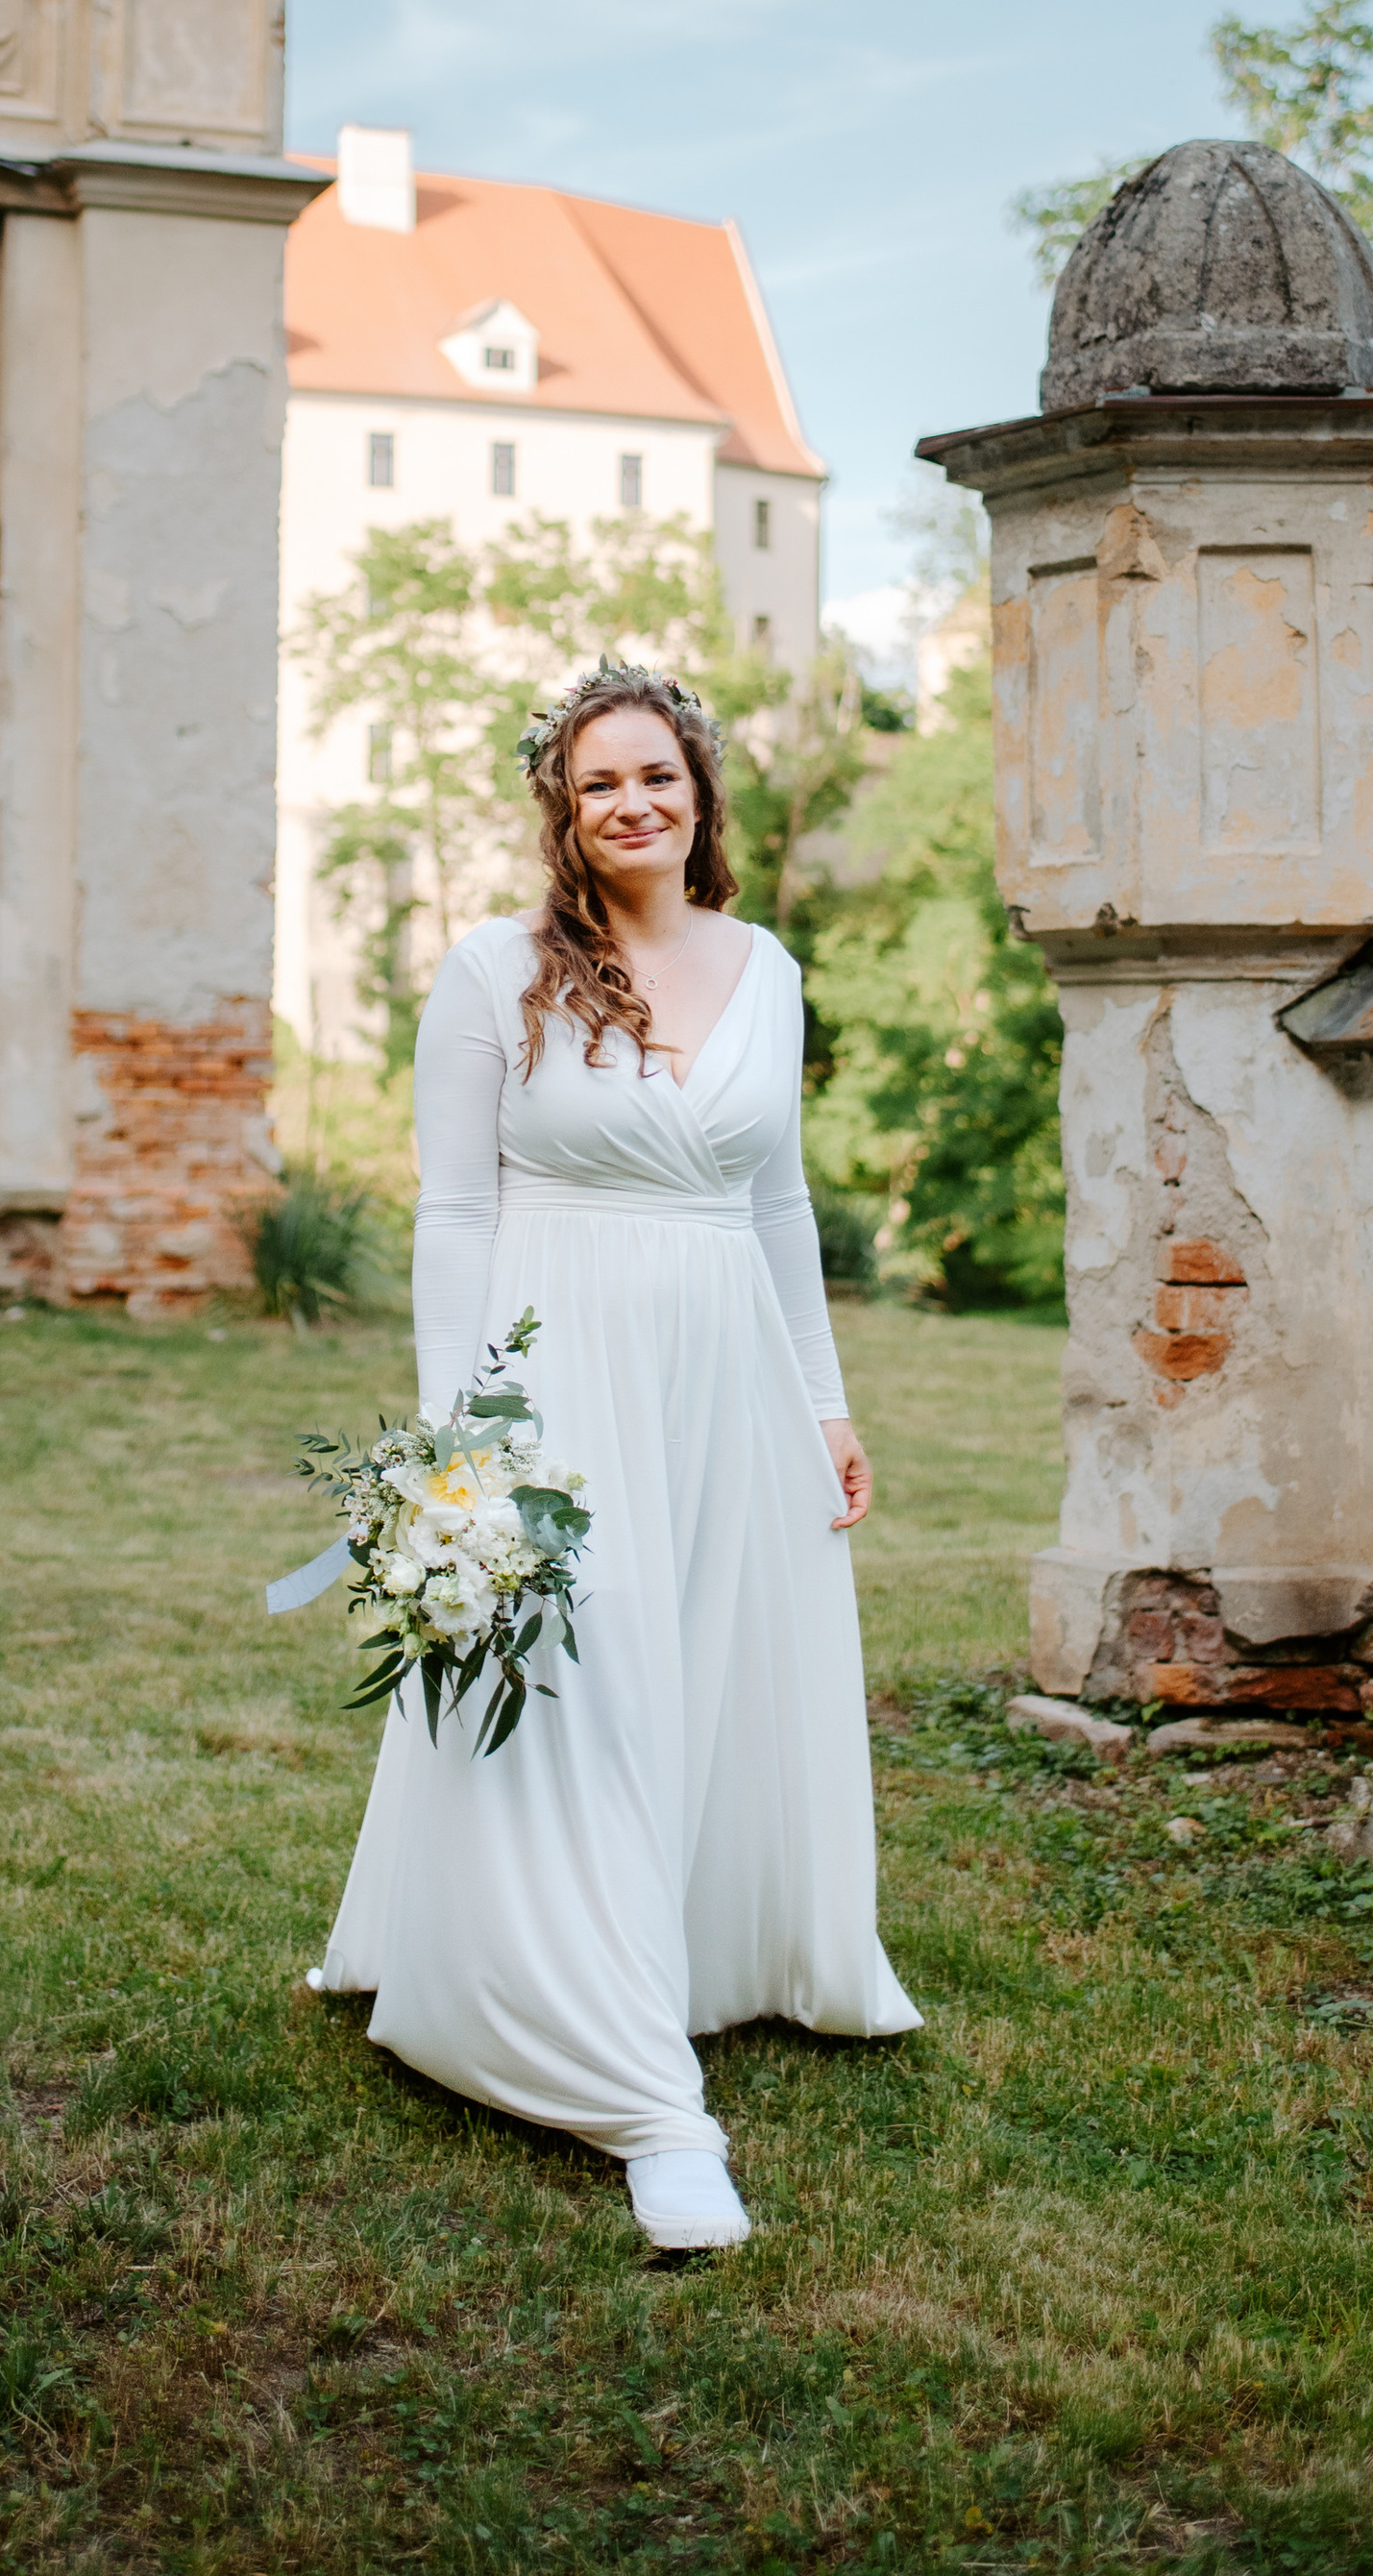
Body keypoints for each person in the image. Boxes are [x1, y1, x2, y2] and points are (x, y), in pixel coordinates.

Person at [312, 656, 919, 2248]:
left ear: (702, 791)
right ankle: (643, 2095)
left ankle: (701, 1951)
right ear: (563, 815)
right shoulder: (491, 970)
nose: (633, 801)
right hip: (556, 1360)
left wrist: (825, 1398)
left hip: (722, 1363)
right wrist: (459, 1439)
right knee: (587, 1679)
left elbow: (778, 1203)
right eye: (599, 783)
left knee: (703, 1661)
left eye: (658, 774)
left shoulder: (766, 966)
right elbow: (453, 1211)